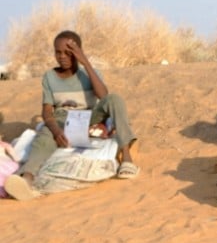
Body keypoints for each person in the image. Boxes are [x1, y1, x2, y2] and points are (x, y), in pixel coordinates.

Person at [3, 30, 140, 201]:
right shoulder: (49, 77)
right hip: (62, 119)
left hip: (89, 117)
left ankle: (127, 159)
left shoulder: (90, 73)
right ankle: (27, 180)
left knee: (115, 99)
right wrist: (55, 131)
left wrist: (85, 63)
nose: (62, 56)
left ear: (78, 52)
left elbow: (104, 96)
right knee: (45, 136)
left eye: (68, 52)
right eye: (58, 52)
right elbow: (47, 111)